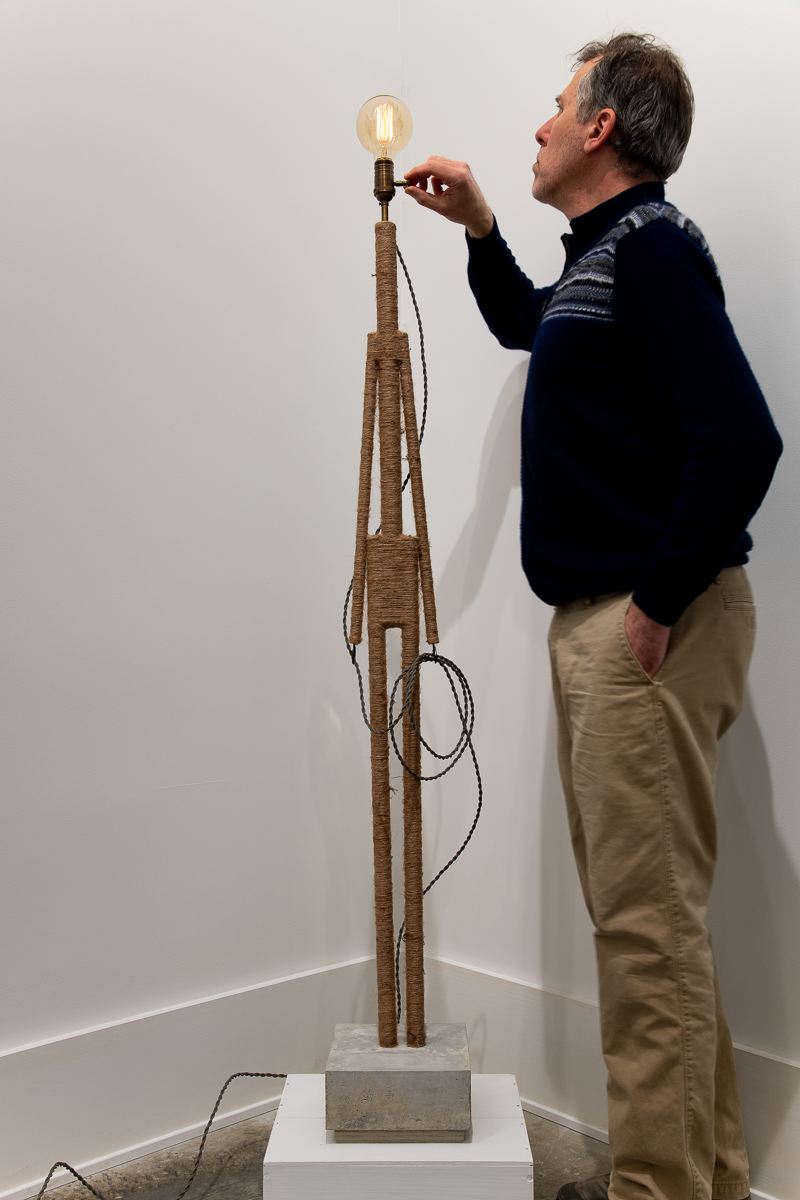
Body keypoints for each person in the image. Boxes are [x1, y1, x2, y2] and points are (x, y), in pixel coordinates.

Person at [403, 32, 783, 1200]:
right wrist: (479, 228)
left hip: (645, 627)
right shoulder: (604, 260)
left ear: (600, 127)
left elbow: (742, 438)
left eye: (556, 105)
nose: (538, 126)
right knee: (651, 927)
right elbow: (529, 321)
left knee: (642, 935)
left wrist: (654, 605)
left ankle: (654, 1188)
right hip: (616, 626)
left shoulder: (652, 249)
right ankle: (705, 1179)